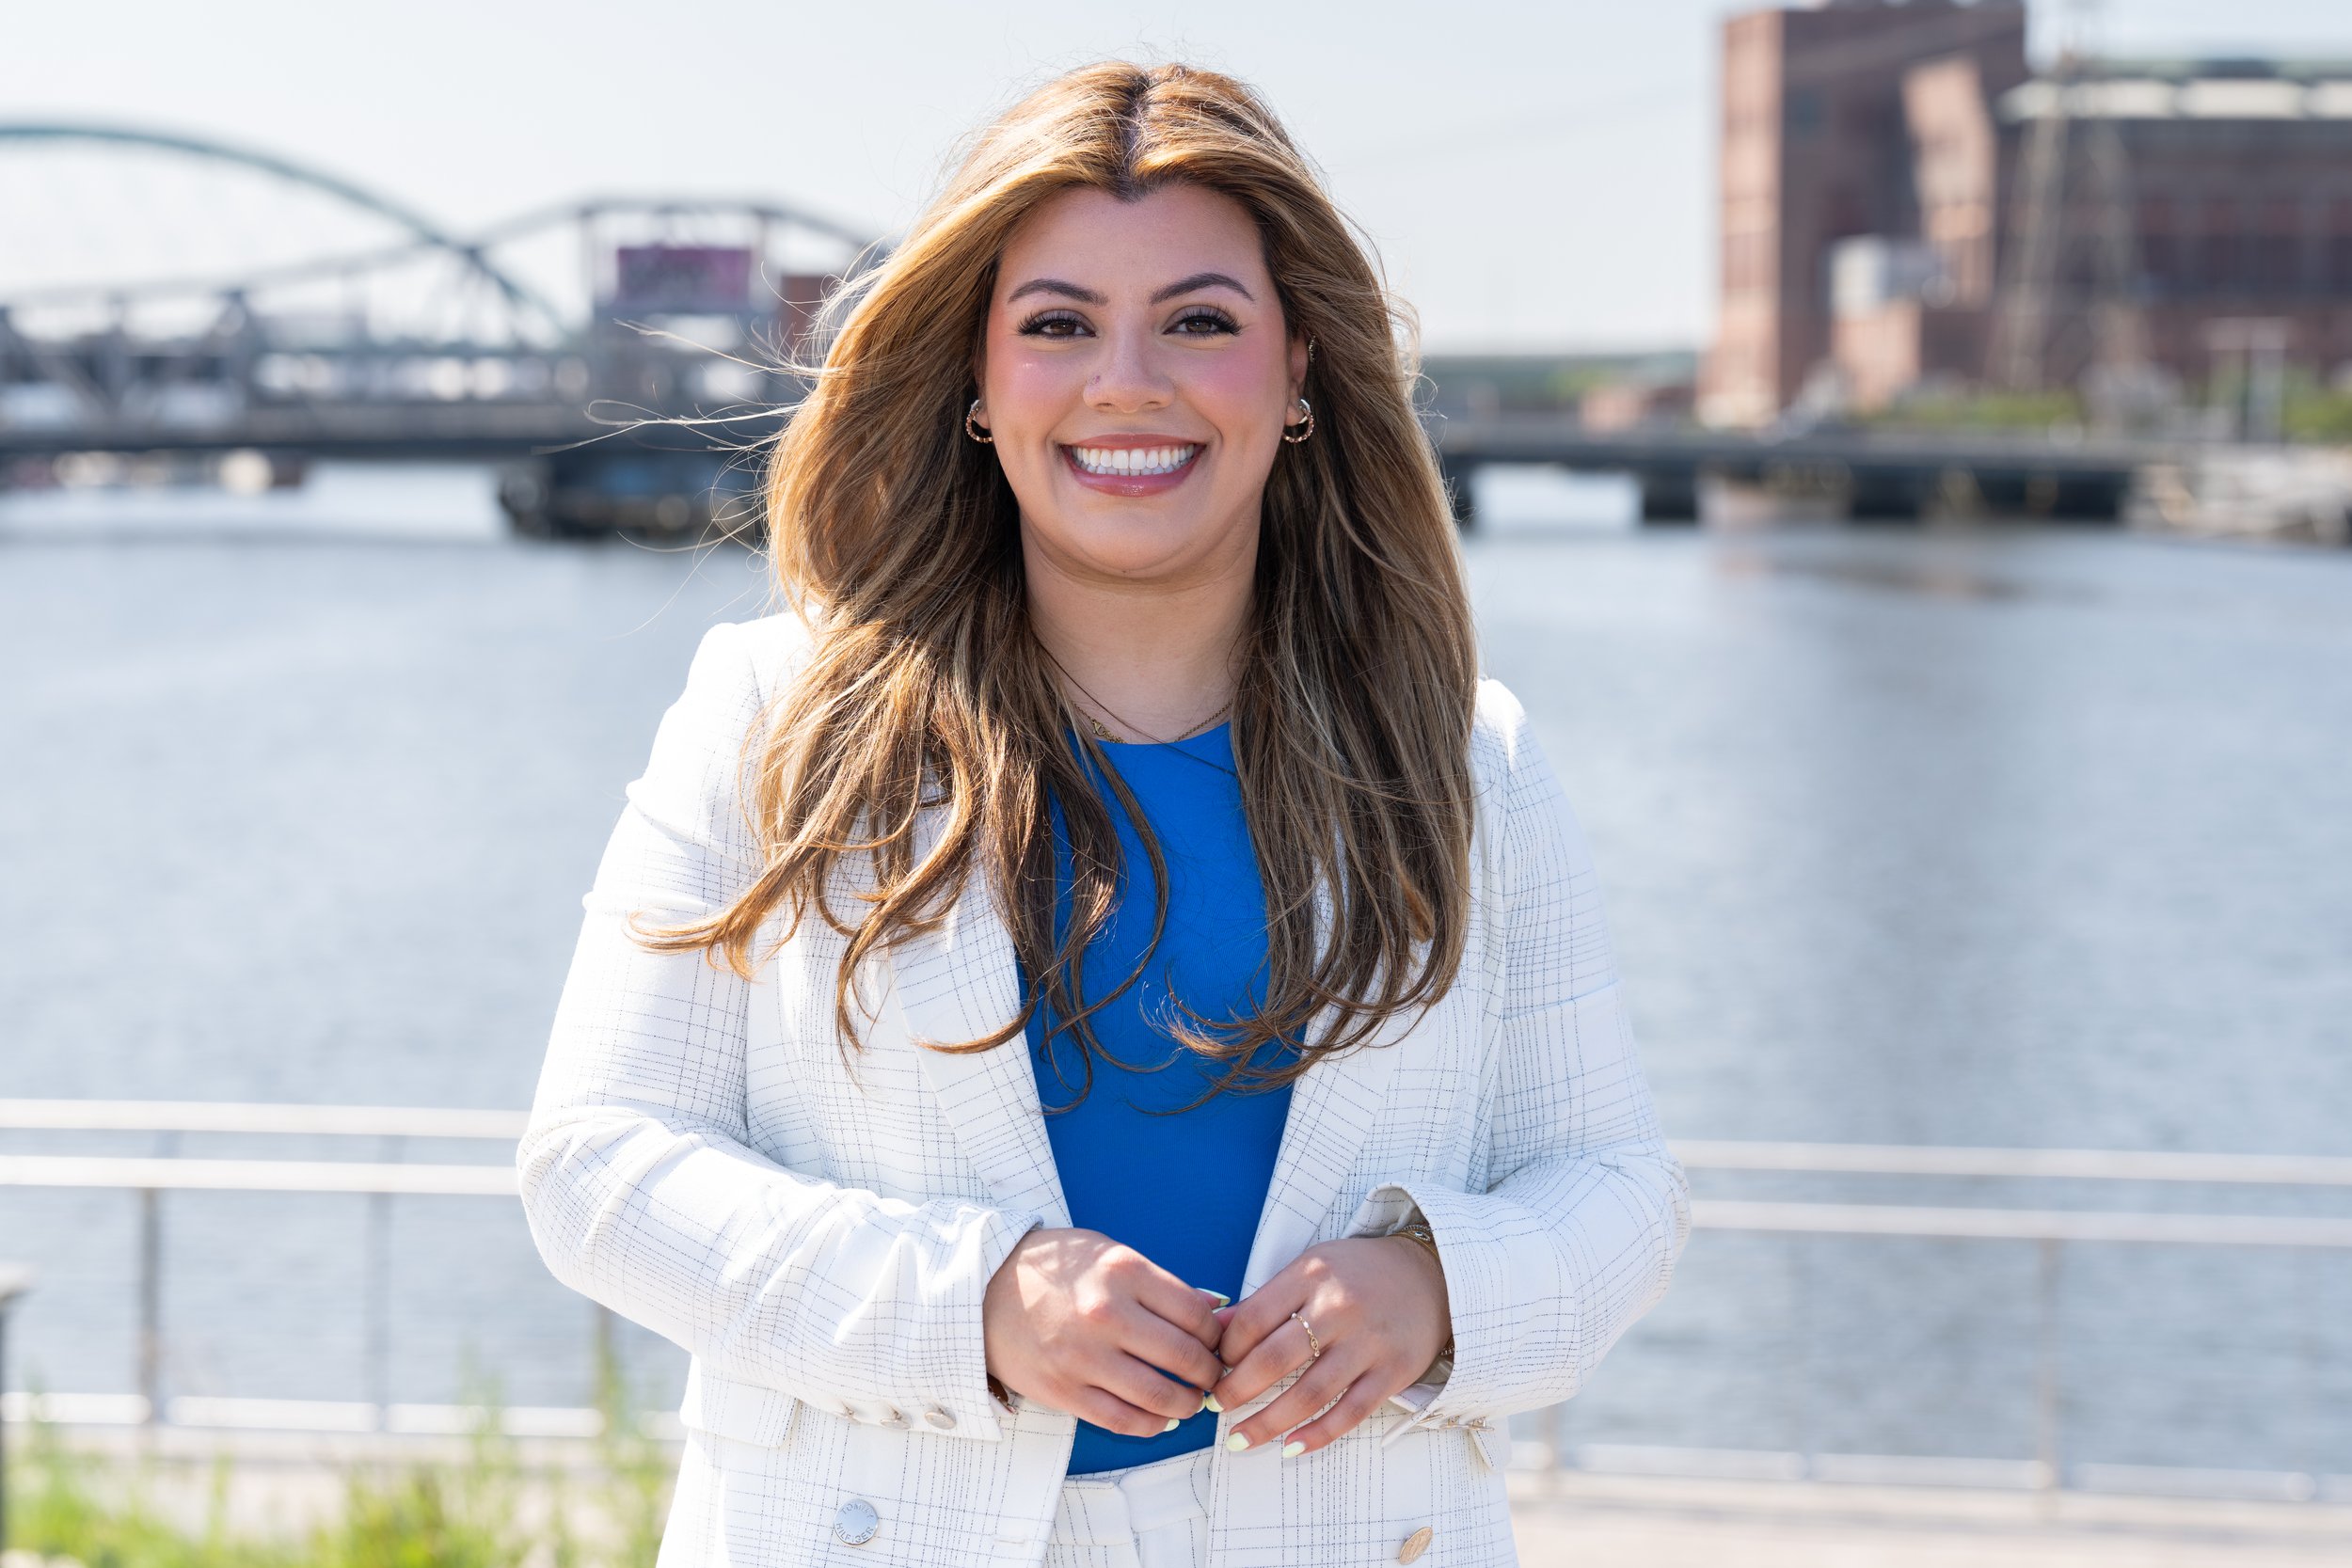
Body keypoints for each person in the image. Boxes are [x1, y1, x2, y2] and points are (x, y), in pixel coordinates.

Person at [518, 59, 1689, 1568]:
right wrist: (977, 1303)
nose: (1125, 381)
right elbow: (598, 1166)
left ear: (1304, 371)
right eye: (1057, 325)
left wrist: (1438, 1290)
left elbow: (1615, 1191)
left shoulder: (1466, 760)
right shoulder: (773, 715)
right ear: (976, 385)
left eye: (1200, 322)